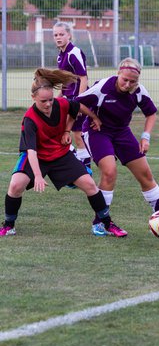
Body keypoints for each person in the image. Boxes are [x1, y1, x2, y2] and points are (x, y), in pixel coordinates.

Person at [0, 68, 121, 237]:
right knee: (15, 185)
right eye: (43, 101)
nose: (48, 104)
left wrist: (92, 118)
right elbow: (31, 151)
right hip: (36, 157)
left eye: (50, 99)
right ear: (33, 98)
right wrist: (38, 176)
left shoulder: (61, 103)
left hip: (60, 154)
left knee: (90, 185)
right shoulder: (29, 119)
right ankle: (9, 225)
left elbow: (78, 107)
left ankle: (107, 223)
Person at [75, 57, 159, 237]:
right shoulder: (103, 87)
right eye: (124, 79)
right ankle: (100, 222)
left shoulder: (139, 91)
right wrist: (94, 117)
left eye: (132, 81)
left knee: (145, 174)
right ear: (118, 73)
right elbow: (77, 103)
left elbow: (151, 113)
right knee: (109, 172)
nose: (127, 84)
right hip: (98, 132)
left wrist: (145, 137)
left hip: (122, 132)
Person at [53, 21, 91, 167]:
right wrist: (56, 100)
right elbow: (65, 82)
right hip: (67, 101)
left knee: (77, 135)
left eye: (61, 34)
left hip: (77, 100)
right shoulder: (60, 56)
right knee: (60, 131)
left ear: (69, 35)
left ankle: (86, 169)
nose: (58, 37)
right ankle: (76, 159)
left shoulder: (74, 53)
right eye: (55, 35)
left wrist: (79, 102)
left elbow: (83, 78)